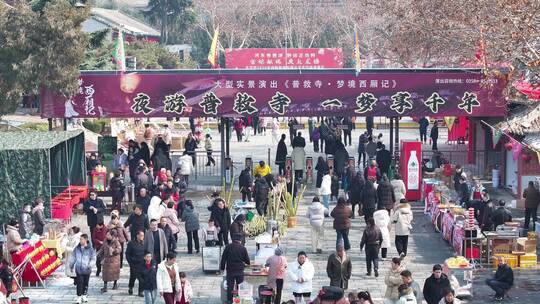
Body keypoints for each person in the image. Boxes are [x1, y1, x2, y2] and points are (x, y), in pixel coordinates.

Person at [220, 234, 250, 303]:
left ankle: (230, 300)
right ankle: (238, 300)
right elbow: (247, 261)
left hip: (230, 270)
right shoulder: (243, 248)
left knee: (230, 286)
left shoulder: (228, 247)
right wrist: (244, 262)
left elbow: (223, 258)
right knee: (240, 286)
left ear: (233, 239)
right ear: (240, 240)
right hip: (239, 270)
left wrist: (222, 268)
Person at [69, 234, 95, 304]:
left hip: (87, 269)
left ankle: (84, 295)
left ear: (86, 240)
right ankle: (79, 297)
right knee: (79, 283)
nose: (80, 241)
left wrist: (90, 265)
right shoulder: (77, 248)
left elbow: (93, 258)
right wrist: (71, 266)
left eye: (81, 239)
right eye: (80, 239)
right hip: (79, 269)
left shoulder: (90, 249)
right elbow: (73, 257)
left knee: (86, 283)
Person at [126, 230, 146, 297]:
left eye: (143, 236)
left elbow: (146, 253)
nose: (142, 237)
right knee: (133, 277)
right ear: (137, 235)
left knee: (142, 278)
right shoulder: (131, 243)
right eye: (141, 235)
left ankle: (140, 291)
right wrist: (130, 262)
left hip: (142, 264)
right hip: (134, 264)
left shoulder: (144, 244)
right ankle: (130, 287)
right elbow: (127, 254)